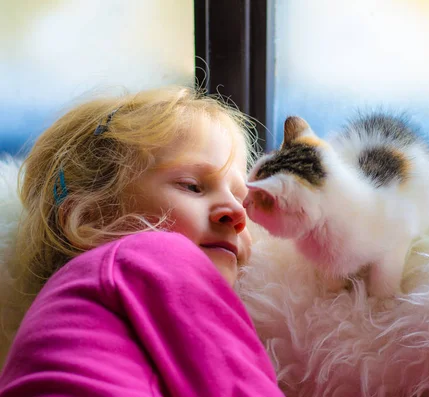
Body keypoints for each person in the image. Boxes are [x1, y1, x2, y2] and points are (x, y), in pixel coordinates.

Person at [0, 86, 285, 396]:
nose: (235, 212)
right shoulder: (150, 254)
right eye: (192, 187)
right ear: (92, 217)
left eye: (242, 199)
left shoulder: (74, 309)